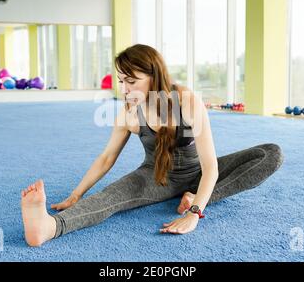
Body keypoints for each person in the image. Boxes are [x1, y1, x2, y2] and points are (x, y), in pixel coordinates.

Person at [20, 44, 284, 247]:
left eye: (131, 81)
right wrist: (76, 194)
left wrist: (194, 212)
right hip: (155, 178)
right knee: (112, 198)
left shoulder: (187, 102)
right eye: (121, 80)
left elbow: (211, 167)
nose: (124, 88)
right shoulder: (129, 113)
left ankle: (198, 197)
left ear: (154, 76)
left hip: (199, 174)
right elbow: (106, 158)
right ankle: (49, 228)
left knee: (269, 154)